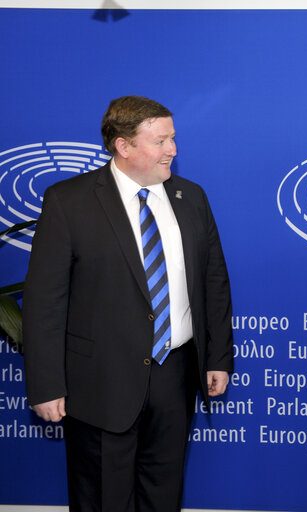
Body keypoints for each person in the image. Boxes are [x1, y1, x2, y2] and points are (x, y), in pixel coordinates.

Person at [23, 95, 234, 512]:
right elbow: (45, 300)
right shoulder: (69, 201)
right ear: (124, 145)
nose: (173, 149)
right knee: (102, 499)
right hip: (99, 381)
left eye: (172, 138)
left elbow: (214, 284)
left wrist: (217, 358)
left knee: (163, 495)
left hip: (175, 376)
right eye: (161, 141)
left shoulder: (190, 197)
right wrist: (46, 385)